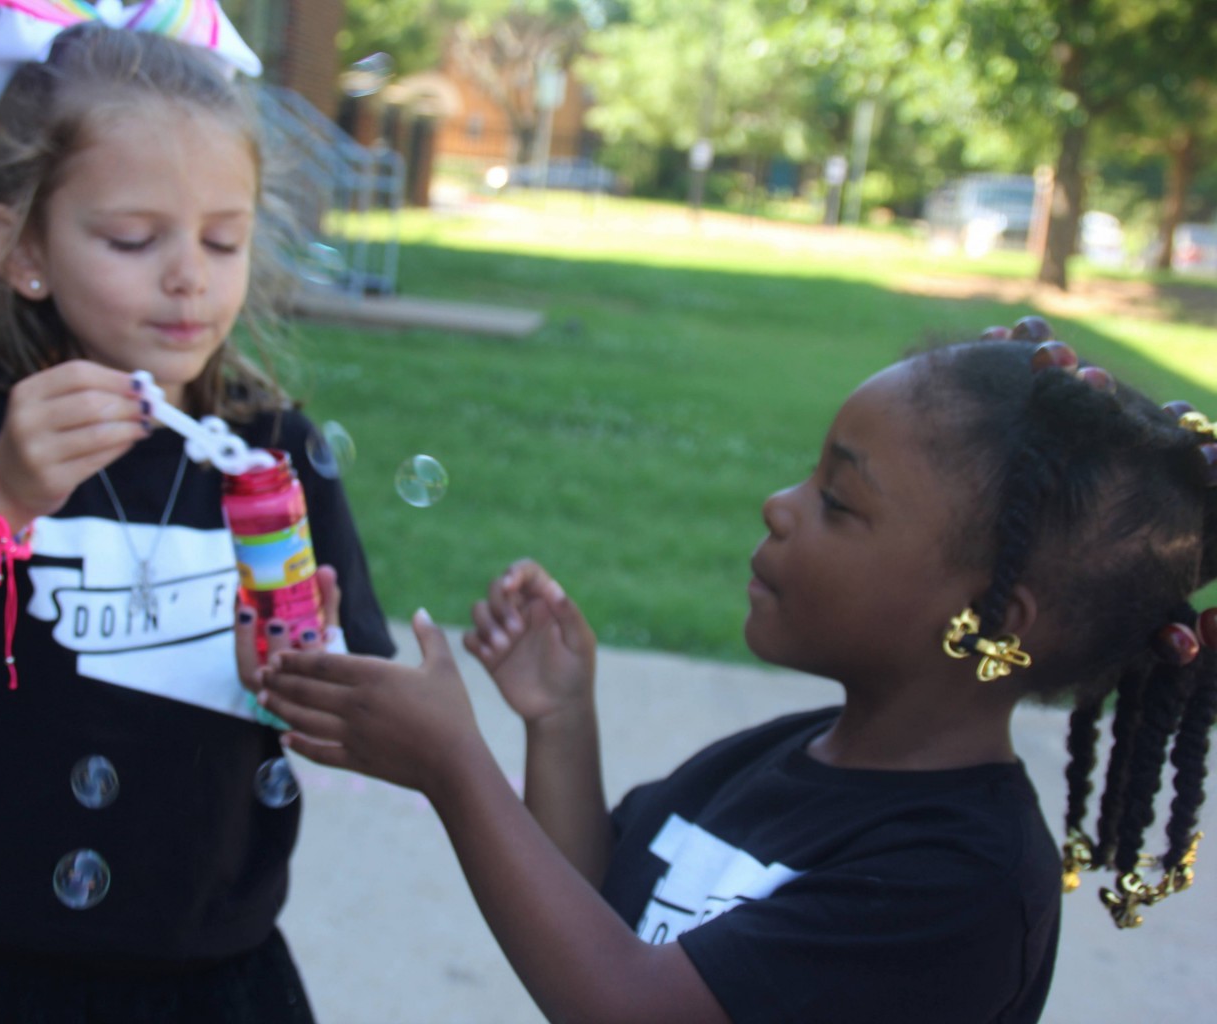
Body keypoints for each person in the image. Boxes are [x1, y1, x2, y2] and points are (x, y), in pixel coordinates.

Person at [257, 318, 1217, 1024]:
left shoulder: (958, 888)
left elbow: (628, 1007)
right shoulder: (787, 758)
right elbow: (596, 898)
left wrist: (455, 768)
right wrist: (559, 718)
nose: (778, 505)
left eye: (840, 502)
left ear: (990, 622)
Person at [0, 8, 393, 1021]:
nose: (189, 273)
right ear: (24, 247)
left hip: (210, 980)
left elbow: (362, 717)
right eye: (133, 238)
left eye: (224, 240)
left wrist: (295, 671)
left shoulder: (272, 452)